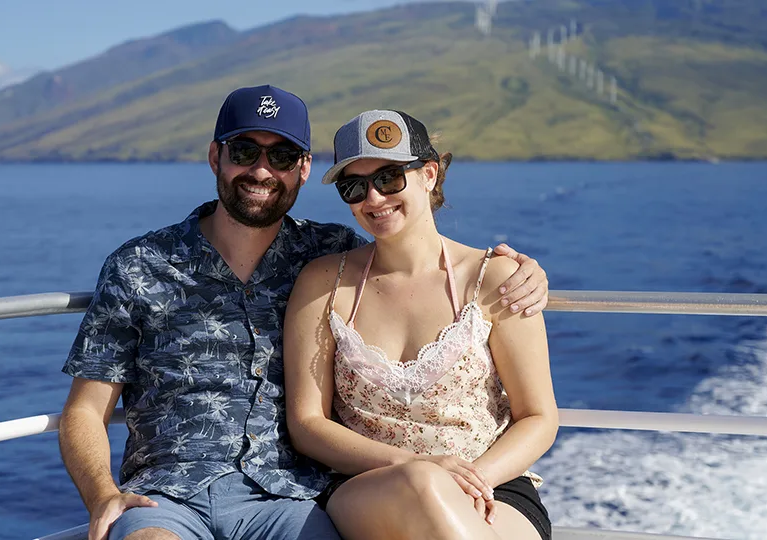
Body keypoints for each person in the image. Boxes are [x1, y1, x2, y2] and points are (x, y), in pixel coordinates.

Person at [59, 86, 551, 540]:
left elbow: (410, 257)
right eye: (245, 152)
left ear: (303, 167)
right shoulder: (142, 266)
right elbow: (85, 407)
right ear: (216, 157)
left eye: (282, 155)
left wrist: (522, 270)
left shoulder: (324, 253)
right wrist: (102, 495)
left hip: (287, 497)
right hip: (168, 494)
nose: (261, 170)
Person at [283, 109, 558, 540]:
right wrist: (418, 467)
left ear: (429, 174)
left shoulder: (496, 279)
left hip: (493, 485)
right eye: (354, 187)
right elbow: (307, 424)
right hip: (368, 486)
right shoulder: (324, 284)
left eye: (389, 178)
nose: (373, 199)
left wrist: (471, 478)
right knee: (422, 485)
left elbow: (539, 417)